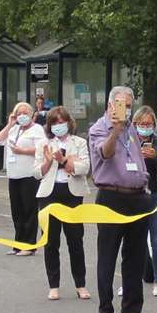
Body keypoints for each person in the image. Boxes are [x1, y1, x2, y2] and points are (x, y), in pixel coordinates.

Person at [88, 86, 155, 313]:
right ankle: (105, 311)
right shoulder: (99, 129)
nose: (124, 110)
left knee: (136, 256)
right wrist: (114, 132)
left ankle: (132, 308)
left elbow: (136, 158)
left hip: (137, 197)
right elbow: (105, 154)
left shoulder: (131, 130)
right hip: (111, 197)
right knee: (108, 255)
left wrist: (144, 182)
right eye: (119, 104)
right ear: (109, 105)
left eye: (128, 106)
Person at [35, 106, 91, 301]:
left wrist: (64, 159)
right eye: (55, 123)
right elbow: (36, 172)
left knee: (75, 240)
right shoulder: (44, 144)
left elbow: (84, 167)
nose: (59, 126)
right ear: (50, 126)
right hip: (49, 194)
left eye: (62, 122)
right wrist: (49, 162)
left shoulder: (80, 142)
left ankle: (80, 284)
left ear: (69, 123)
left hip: (72, 194)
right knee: (51, 241)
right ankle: (53, 285)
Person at [0, 102, 45, 254]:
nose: (22, 116)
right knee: (16, 211)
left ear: (31, 115)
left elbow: (42, 149)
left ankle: (29, 245)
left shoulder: (37, 129)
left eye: (25, 113)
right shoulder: (14, 129)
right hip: (14, 175)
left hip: (29, 175)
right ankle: (18, 244)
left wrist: (22, 151)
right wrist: (9, 124)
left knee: (29, 211)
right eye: (19, 113)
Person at [134, 105, 157, 299]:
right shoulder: (128, 141)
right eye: (141, 124)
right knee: (135, 240)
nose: (145, 127)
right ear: (135, 124)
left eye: (148, 124)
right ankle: (131, 280)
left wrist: (155, 156)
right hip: (135, 197)